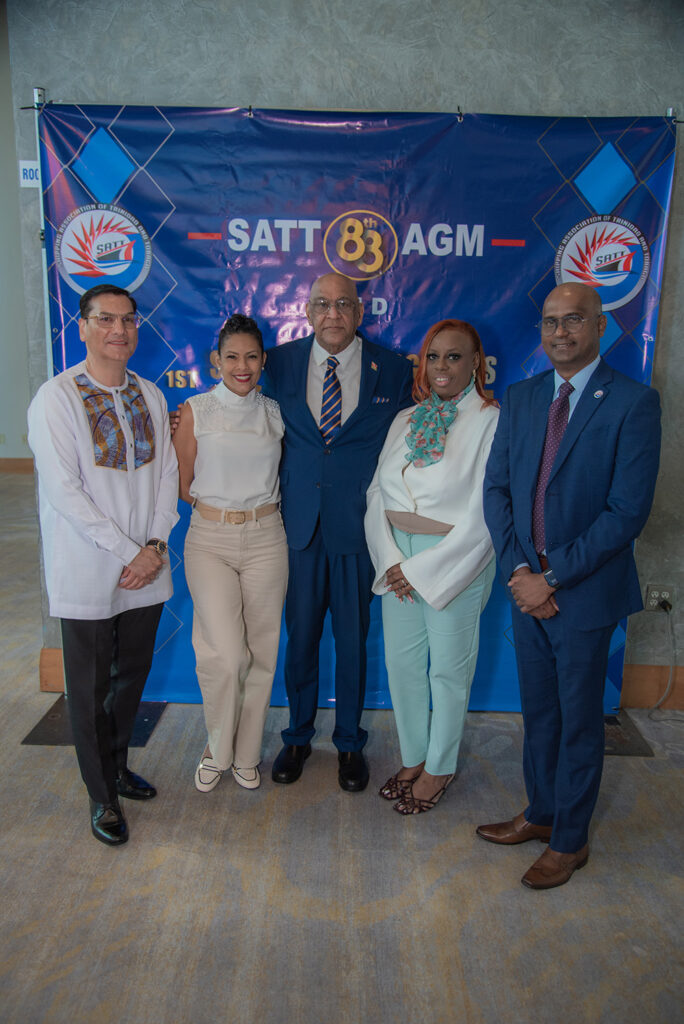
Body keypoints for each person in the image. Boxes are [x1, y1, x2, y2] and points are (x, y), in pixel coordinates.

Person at [480, 282, 661, 889]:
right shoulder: (523, 396)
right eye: (551, 321)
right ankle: (541, 812)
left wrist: (551, 579)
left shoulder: (634, 403)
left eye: (574, 320)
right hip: (525, 587)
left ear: (600, 326)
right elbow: (498, 490)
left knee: (580, 721)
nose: (560, 332)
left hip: (583, 594)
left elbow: (625, 513)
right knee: (539, 714)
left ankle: (570, 840)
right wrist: (519, 572)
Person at [28, 284, 179, 846]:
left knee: (131, 676)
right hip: (89, 564)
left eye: (128, 319)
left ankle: (117, 768)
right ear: (83, 326)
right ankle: (101, 796)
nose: (119, 330)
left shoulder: (150, 394)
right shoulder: (57, 397)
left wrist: (155, 546)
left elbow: (167, 476)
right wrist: (128, 552)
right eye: (106, 319)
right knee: (89, 688)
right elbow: (65, 491)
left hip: (147, 563)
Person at [262, 272, 414, 792]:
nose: (333, 314)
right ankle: (298, 737)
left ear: (359, 312)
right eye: (322, 304)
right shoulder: (278, 363)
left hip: (358, 530)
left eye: (343, 304)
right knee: (301, 639)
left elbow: (415, 436)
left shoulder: (394, 369)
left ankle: (349, 742)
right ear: (307, 311)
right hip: (299, 529)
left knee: (352, 643)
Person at [364, 319, 498, 814]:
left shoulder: (491, 421)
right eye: (434, 356)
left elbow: (487, 511)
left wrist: (420, 569)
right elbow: (377, 492)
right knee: (402, 666)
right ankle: (414, 756)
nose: (442, 367)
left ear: (476, 363)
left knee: (447, 670)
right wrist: (392, 559)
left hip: (454, 558)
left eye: (454, 356)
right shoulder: (405, 418)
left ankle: (440, 766)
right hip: (396, 556)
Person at [172, 314, 287, 792]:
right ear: (216, 361)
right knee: (224, 654)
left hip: (267, 537)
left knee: (261, 653)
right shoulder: (195, 410)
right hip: (210, 540)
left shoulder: (275, 412)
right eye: (232, 357)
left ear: (263, 360)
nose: (243, 366)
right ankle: (217, 747)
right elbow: (183, 483)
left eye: (252, 357)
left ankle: (246, 753)